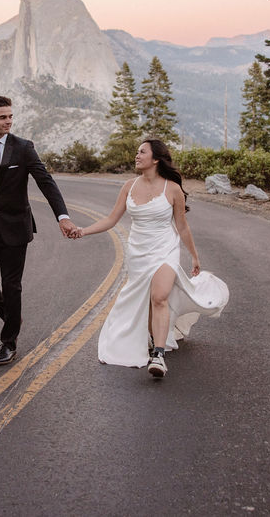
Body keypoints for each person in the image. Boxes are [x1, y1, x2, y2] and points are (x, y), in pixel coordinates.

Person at [71, 139, 228, 378]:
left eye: (142, 152)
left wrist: (194, 257)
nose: (137, 155)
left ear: (155, 159)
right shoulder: (129, 186)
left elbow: (182, 227)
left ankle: (159, 355)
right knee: (146, 300)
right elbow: (111, 220)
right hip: (137, 251)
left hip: (165, 249)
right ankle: (153, 336)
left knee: (159, 297)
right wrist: (83, 230)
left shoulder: (172, 189)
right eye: (137, 152)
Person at [0, 95, 77, 366]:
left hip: (15, 229)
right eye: (2, 117)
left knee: (12, 286)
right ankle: (13, 317)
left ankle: (8, 342)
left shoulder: (23, 148)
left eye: (11, 116)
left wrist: (62, 216)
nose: (8, 121)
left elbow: (46, 182)